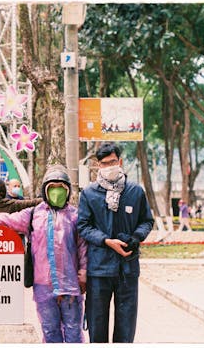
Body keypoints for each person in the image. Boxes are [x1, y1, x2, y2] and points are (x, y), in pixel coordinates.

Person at [0, 165, 87, 343]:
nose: (57, 192)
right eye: (52, 187)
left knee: (74, 333)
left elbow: (83, 248)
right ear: (45, 190)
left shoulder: (75, 216)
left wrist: (83, 274)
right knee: (50, 332)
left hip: (71, 287)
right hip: (43, 286)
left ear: (67, 190)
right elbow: (10, 220)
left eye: (61, 188)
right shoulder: (34, 214)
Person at [77, 142, 154, 343]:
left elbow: (147, 220)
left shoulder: (135, 191)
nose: (108, 166)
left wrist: (136, 237)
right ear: (98, 165)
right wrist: (106, 241)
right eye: (104, 163)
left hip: (127, 269)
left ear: (119, 161)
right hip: (99, 269)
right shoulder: (89, 193)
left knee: (126, 328)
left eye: (112, 162)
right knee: (97, 326)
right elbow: (83, 226)